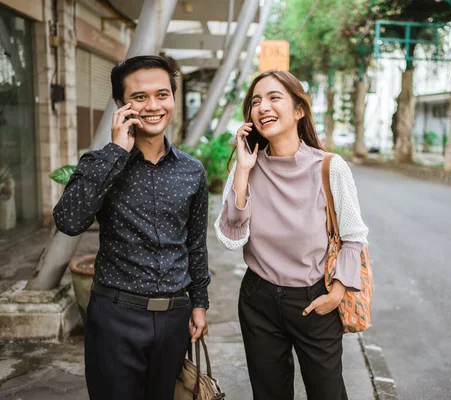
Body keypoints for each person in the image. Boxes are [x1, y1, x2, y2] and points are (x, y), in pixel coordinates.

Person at [53, 55, 210, 400]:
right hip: (115, 316)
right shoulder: (99, 164)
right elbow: (68, 220)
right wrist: (115, 152)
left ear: (172, 98)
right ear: (121, 104)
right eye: (140, 97)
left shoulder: (192, 171)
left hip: (174, 319)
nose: (153, 106)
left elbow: (195, 244)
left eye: (162, 94)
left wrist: (199, 304)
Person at [215, 70, 369, 400]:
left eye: (274, 98)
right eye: (256, 101)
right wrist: (242, 168)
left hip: (316, 298)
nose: (262, 107)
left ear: (299, 110)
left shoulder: (329, 166)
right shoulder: (248, 167)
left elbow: (353, 236)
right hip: (259, 299)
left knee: (327, 393)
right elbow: (232, 235)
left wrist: (337, 293)